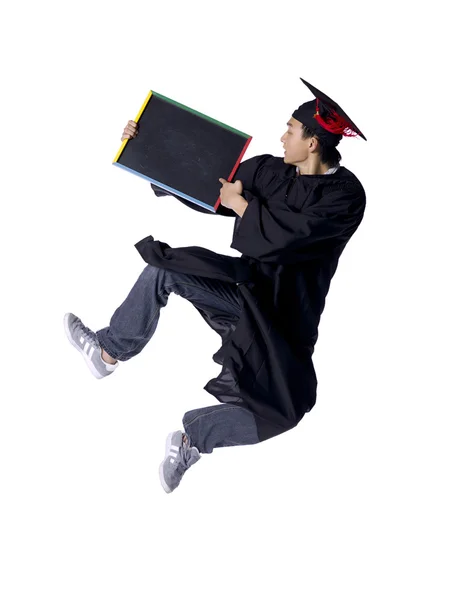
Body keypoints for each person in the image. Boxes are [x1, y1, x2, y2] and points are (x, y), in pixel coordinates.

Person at [64, 78, 367, 493]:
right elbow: (209, 179)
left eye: (291, 131)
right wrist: (146, 145)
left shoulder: (346, 196)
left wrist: (242, 204)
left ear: (313, 143)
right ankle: (108, 349)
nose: (282, 138)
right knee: (167, 267)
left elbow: (291, 240)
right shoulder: (269, 169)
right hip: (244, 289)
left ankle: (193, 438)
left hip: (284, 315)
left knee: (288, 409)